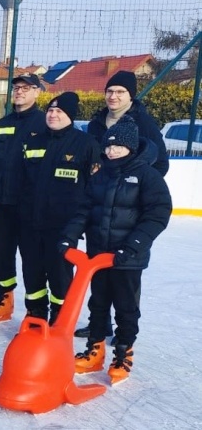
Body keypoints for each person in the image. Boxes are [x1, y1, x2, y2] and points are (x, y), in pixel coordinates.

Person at [61, 118, 171, 385]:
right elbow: (84, 210)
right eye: (109, 147)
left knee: (126, 307)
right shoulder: (101, 175)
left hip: (128, 258)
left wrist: (132, 246)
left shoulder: (147, 176)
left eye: (118, 147)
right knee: (98, 303)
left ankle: (123, 351)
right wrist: (69, 236)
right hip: (98, 255)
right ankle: (95, 349)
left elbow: (157, 214)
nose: (111, 152)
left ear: (130, 148)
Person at [75, 70, 170, 338]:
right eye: (110, 91)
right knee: (100, 273)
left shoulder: (145, 124)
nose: (113, 96)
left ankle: (124, 330)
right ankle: (100, 324)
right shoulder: (96, 123)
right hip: (102, 204)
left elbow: (160, 162)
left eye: (120, 92)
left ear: (131, 95)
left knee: (126, 275)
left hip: (130, 208)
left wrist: (134, 186)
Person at [18, 92, 100, 325]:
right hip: (31, 223)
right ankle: (35, 315)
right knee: (32, 272)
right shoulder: (34, 140)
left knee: (59, 275)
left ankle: (59, 319)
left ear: (70, 116)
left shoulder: (86, 144)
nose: (53, 115)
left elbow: (95, 188)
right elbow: (22, 179)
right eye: (50, 110)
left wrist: (80, 224)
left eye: (59, 111)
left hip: (63, 227)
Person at [0, 74, 47, 323]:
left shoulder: (45, 124)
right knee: (3, 255)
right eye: (16, 88)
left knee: (32, 260)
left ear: (37, 92)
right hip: (3, 206)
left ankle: (36, 311)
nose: (19, 92)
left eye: (26, 88)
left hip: (32, 209)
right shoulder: (0, 125)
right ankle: (4, 300)